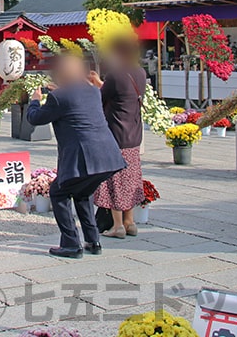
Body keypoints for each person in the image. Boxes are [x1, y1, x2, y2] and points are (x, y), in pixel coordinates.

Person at [27, 54, 126, 259]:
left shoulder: (58, 97)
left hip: (83, 157)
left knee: (59, 193)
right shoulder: (92, 92)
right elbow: (74, 101)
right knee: (82, 192)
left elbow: (35, 118)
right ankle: (93, 240)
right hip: (107, 156)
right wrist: (59, 93)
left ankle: (72, 244)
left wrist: (35, 101)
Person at [91, 37, 147, 239]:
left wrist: (97, 83)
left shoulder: (115, 75)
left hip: (116, 133)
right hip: (134, 133)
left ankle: (117, 226)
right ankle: (129, 221)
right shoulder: (140, 73)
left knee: (114, 179)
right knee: (131, 178)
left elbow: (101, 97)